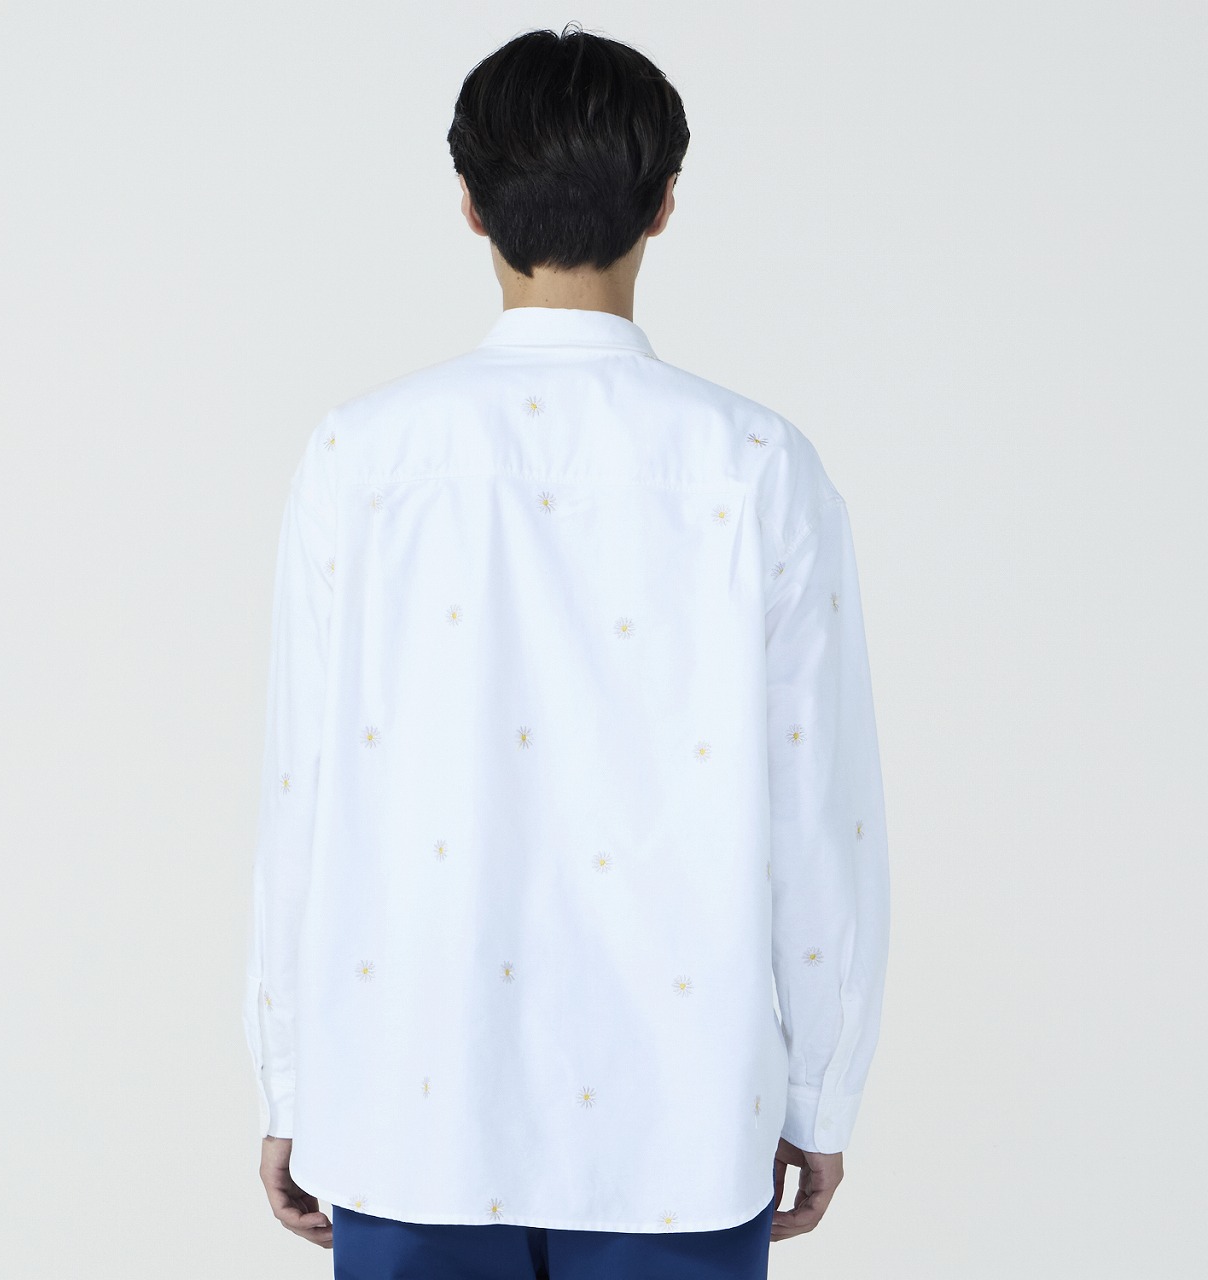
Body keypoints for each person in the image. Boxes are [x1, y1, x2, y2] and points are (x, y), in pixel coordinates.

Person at [243, 23, 891, 1280]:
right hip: (678, 1117)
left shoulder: (359, 457)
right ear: (664, 203)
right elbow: (821, 809)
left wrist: (289, 1074)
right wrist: (821, 1087)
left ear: (468, 204)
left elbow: (301, 789)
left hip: (408, 1100)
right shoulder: (759, 466)